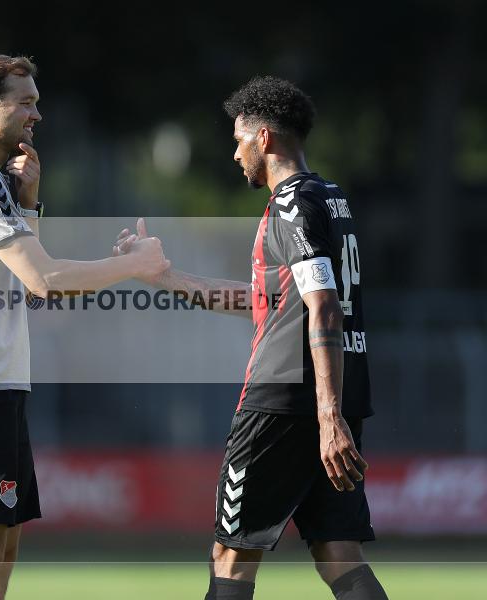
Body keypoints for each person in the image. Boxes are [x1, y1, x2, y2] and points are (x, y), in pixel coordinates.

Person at [115, 76, 388, 600]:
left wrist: (326, 417)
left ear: (263, 138)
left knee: (230, 556)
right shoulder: (330, 199)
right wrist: (166, 277)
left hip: (285, 400)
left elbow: (324, 309)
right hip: (334, 391)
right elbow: (265, 302)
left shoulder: (293, 205)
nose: (234, 150)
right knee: (339, 554)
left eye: (239, 137)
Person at [0, 54, 169, 600]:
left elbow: (15, 283)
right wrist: (138, 266)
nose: (37, 114)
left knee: (1, 550)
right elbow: (46, 280)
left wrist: (28, 204)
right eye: (26, 102)